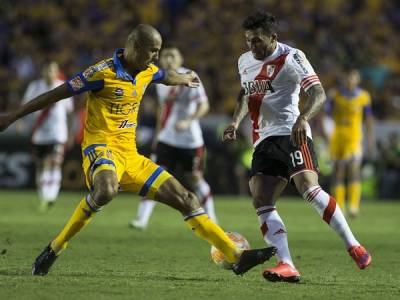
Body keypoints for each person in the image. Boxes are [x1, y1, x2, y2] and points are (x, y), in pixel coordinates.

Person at [0, 24, 276, 276]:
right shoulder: (100, 73)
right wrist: (13, 116)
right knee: (106, 190)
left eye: (158, 50)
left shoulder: (147, 71)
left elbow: (164, 76)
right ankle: (55, 248)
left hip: (131, 156)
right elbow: (54, 94)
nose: (156, 56)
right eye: (153, 50)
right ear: (135, 48)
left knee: (187, 198)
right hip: (101, 149)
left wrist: (182, 78)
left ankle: (236, 256)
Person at [222, 12, 371, 283]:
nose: (251, 47)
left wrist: (303, 118)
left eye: (257, 41)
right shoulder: (244, 61)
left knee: (308, 188)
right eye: (248, 41)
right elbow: (245, 92)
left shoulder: (292, 56)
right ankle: (286, 264)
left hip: (290, 131)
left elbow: (318, 93)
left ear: (273, 38)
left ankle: (353, 245)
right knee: (261, 199)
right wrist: (235, 121)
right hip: (263, 139)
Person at [130, 47, 217, 229]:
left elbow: (204, 105)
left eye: (173, 56)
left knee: (195, 178)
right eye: (166, 56)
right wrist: (158, 134)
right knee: (154, 177)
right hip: (167, 138)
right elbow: (163, 109)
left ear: (180, 59)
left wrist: (188, 121)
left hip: (190, 139)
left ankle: (212, 218)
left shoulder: (190, 75)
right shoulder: (161, 78)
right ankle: (141, 219)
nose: (169, 59)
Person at [20, 62, 74, 211]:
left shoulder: (63, 86)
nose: (49, 73)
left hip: (58, 132)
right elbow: (25, 106)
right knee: (41, 165)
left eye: (52, 70)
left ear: (57, 72)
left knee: (54, 162)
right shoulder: (35, 86)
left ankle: (51, 196)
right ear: (42, 72)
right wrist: (22, 121)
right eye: (46, 70)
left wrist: (69, 133)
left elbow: (70, 113)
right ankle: (44, 196)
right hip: (39, 133)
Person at [327, 69, 375, 218]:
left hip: (354, 138)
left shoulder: (364, 97)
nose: (350, 80)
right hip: (338, 138)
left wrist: (370, 139)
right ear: (344, 79)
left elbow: (368, 120)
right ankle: (340, 207)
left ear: (357, 80)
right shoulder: (335, 95)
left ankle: (354, 206)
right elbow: (326, 115)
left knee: (354, 170)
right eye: (348, 77)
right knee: (339, 172)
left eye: (353, 77)